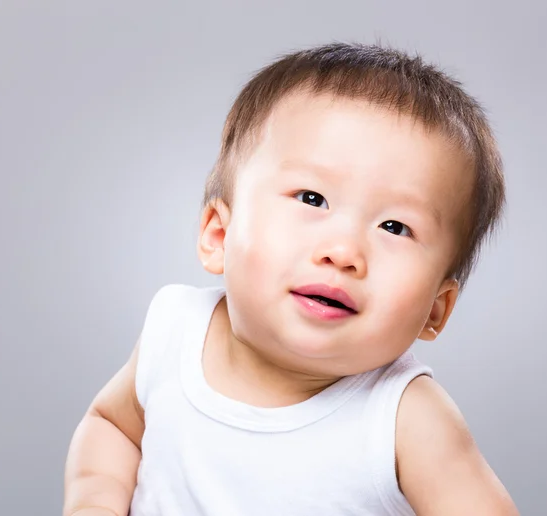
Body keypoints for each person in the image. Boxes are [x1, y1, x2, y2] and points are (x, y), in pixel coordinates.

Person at [63, 42, 519, 515]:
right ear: (219, 235)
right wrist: (95, 502)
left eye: (394, 227)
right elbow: (113, 426)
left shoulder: (407, 416)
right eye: (311, 198)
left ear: (435, 309)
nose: (343, 253)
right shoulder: (174, 332)